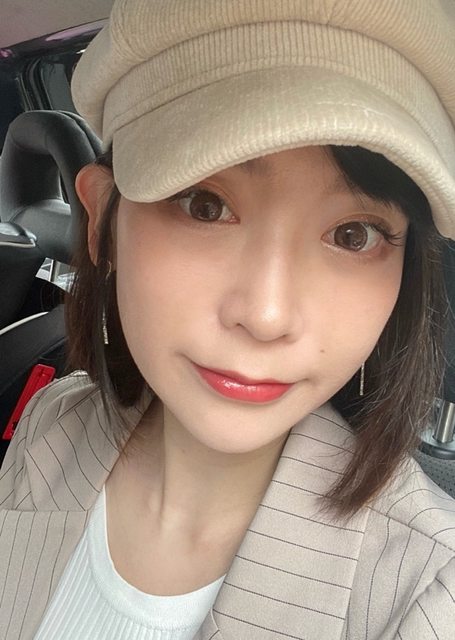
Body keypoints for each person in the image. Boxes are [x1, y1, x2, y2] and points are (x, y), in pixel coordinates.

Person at [1, 0, 455, 638]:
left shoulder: (429, 595)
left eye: (353, 234)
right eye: (205, 206)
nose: (266, 316)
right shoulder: (49, 427)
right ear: (102, 222)